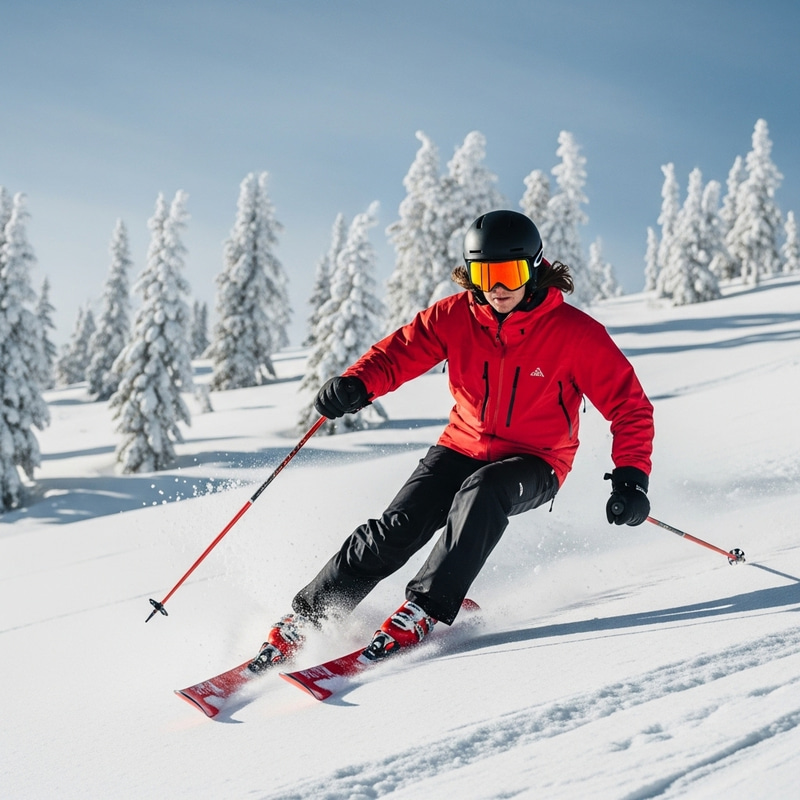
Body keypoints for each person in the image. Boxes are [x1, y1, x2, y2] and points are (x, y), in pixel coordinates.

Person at [249, 209, 654, 671]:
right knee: (398, 528)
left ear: (535, 268)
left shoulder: (576, 335)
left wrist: (631, 478)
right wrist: (358, 384)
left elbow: (630, 407)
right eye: (485, 274)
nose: (497, 288)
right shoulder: (456, 315)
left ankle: (425, 606)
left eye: (509, 274)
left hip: (536, 461)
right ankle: (312, 615)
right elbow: (400, 351)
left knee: (482, 493)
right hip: (462, 445)